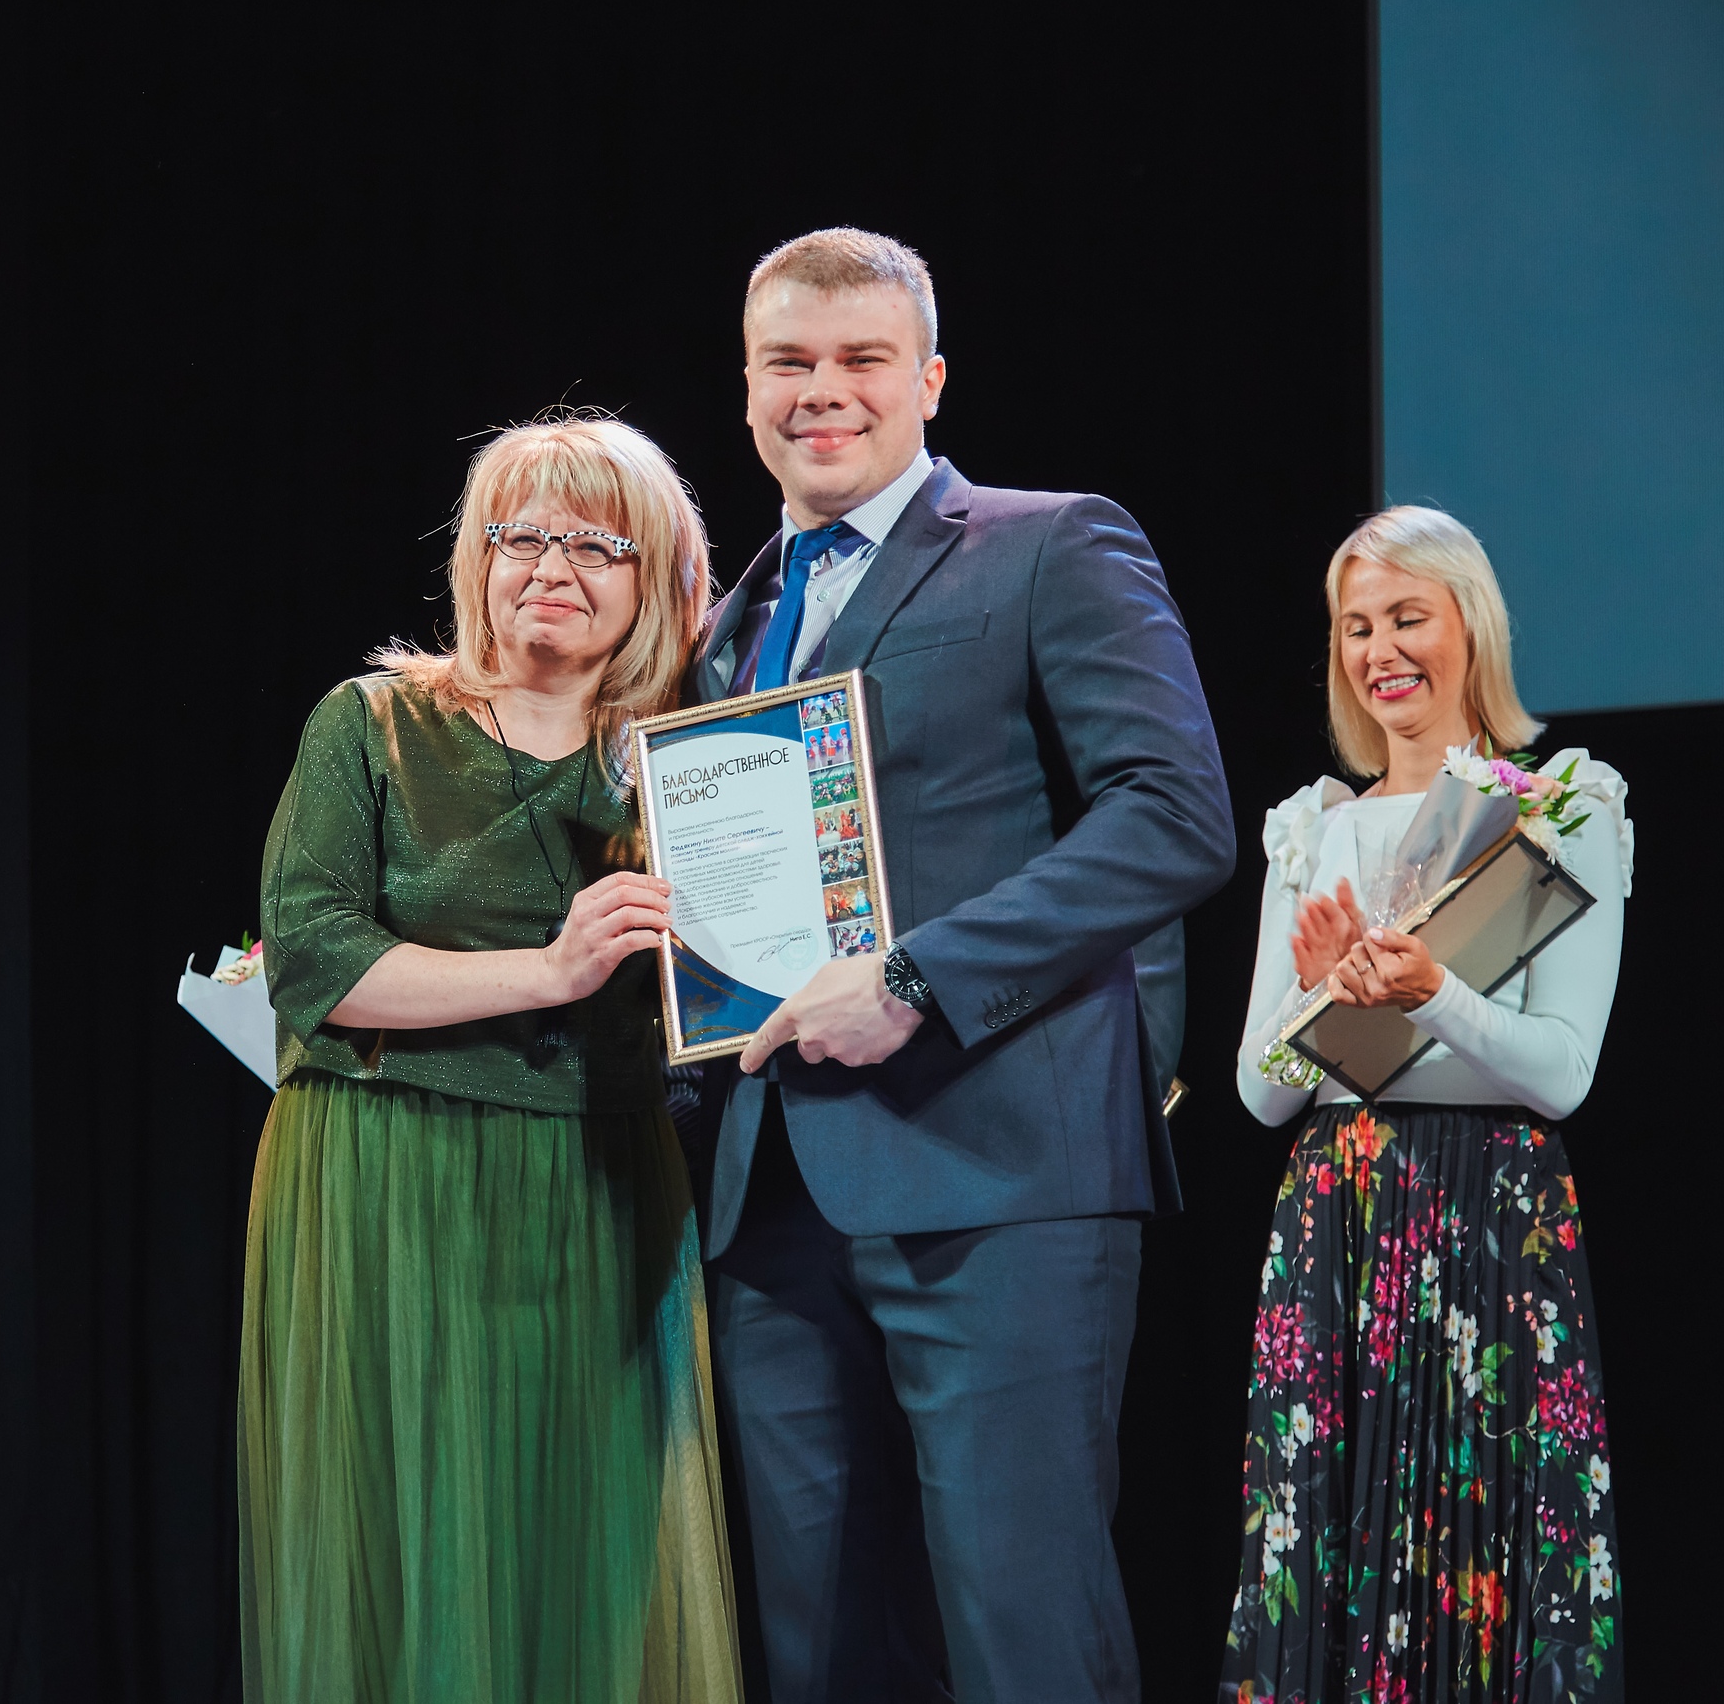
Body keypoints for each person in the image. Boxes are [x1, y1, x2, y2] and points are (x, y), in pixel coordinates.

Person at [689, 228, 1235, 1702]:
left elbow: (1174, 815)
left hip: (1000, 1179)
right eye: (788, 363)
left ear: (929, 378)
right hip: (773, 1206)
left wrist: (915, 979)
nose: (823, 390)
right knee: (820, 1655)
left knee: (1021, 1635)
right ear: (747, 387)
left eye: (861, 358)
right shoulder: (728, 626)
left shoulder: (1052, 542)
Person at [242, 414, 738, 1702]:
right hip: (386, 1174)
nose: (549, 567)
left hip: (599, 1183)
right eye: (520, 536)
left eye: (594, 544)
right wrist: (549, 971)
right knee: (411, 1547)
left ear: (659, 578)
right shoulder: (373, 723)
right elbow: (314, 958)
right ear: (477, 558)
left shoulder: (690, 762)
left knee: (589, 1554)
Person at [1222, 507, 1628, 1701]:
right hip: (1339, 1225)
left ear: (1469, 627)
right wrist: (1314, 1004)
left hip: (1490, 1223)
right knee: (1329, 1549)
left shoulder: (1559, 805)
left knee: (1484, 1544)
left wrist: (1428, 990)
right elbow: (1260, 1092)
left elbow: (1560, 1071)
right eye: (1356, 626)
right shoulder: (1315, 827)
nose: (1380, 649)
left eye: (1408, 616)